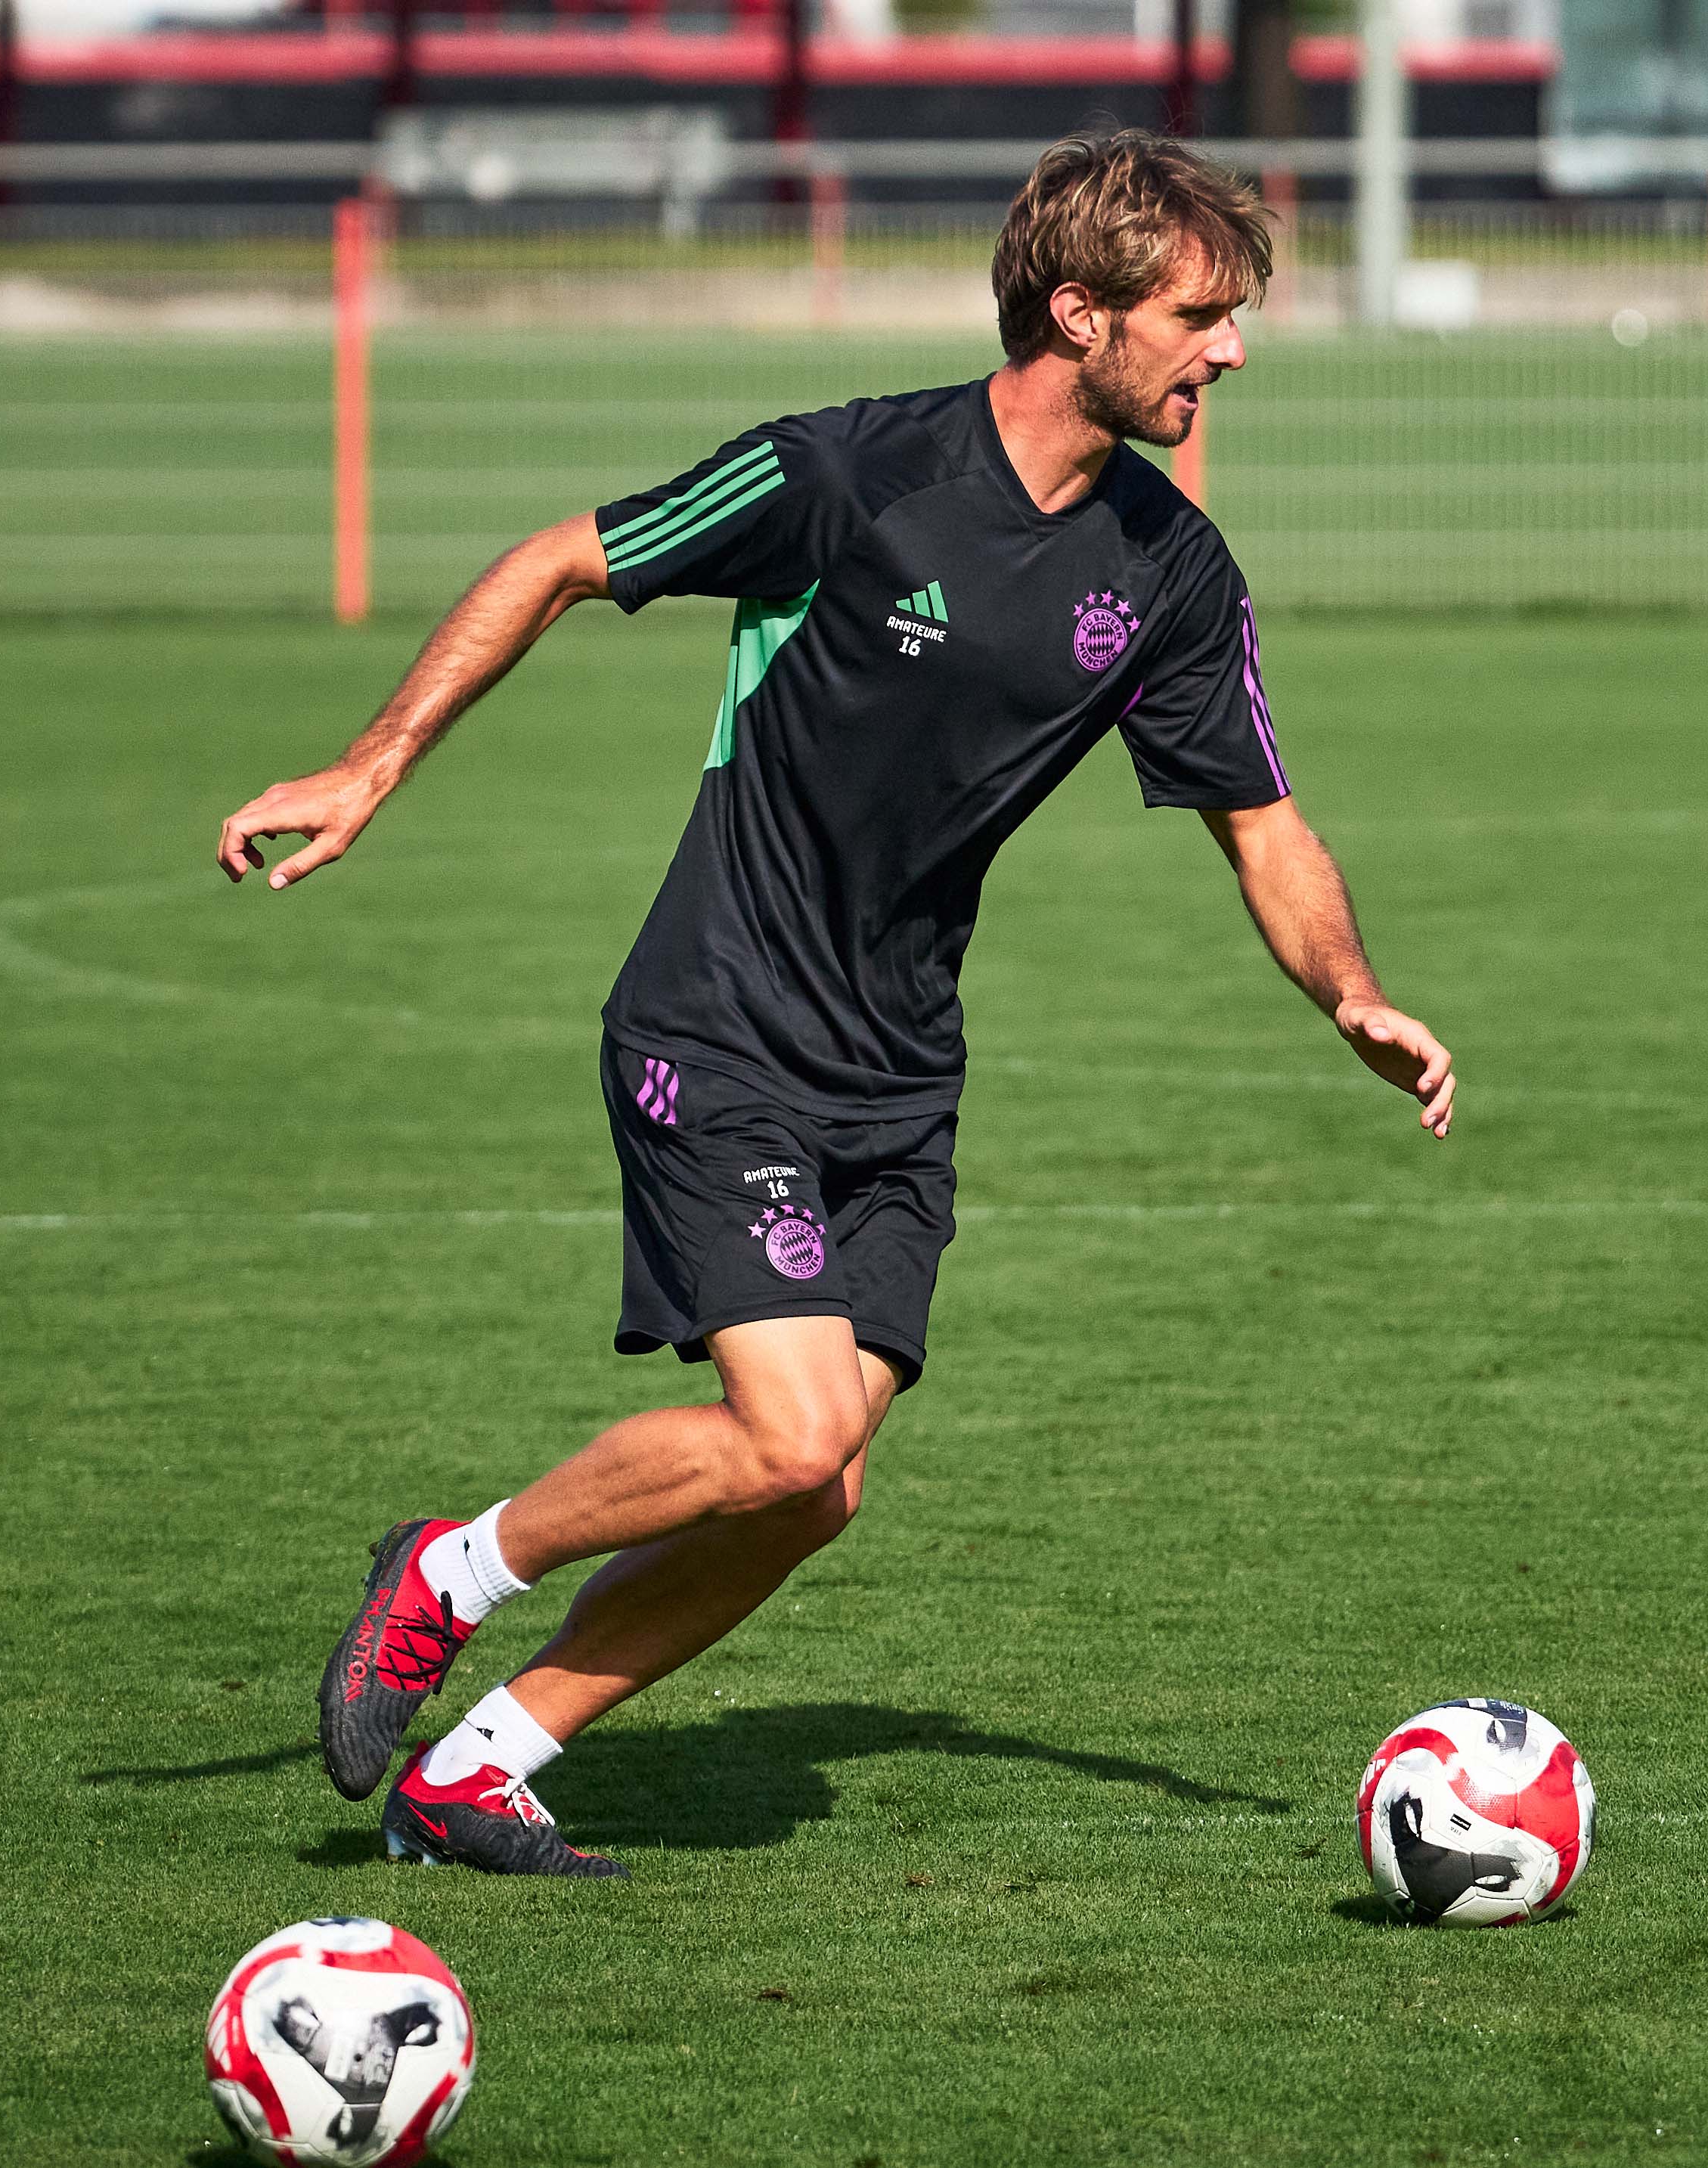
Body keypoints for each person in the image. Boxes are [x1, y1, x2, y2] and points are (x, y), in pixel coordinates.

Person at [215, 132, 1458, 1875]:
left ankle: (481, 1764)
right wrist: (369, 764)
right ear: (1076, 311)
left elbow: (1261, 816)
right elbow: (564, 558)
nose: (1230, 350)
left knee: (817, 1487)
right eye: (1200, 314)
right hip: (717, 1027)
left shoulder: (1169, 573)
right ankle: (449, 1569)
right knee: (785, 1432)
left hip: (897, 1078)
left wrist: (1350, 993)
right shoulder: (845, 477)